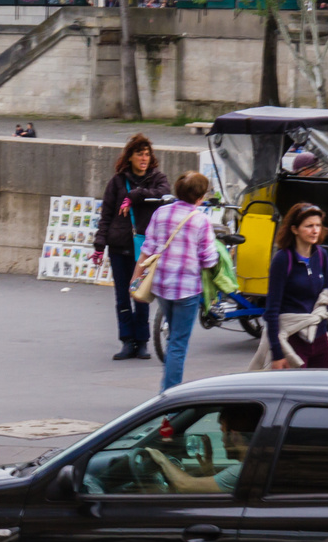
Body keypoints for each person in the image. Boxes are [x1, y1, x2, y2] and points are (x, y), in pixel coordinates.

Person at [136, 170, 218, 392]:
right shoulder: (201, 220)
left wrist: (135, 280)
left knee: (173, 338)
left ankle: (168, 389)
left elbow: (148, 248)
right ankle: (170, 393)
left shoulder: (161, 213)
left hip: (161, 284)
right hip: (187, 289)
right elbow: (209, 259)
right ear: (200, 197)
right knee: (178, 344)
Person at [92, 134, 171, 360]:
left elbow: (165, 195)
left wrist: (136, 195)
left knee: (141, 294)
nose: (144, 158)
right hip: (119, 246)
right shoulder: (117, 182)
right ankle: (127, 340)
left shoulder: (157, 178)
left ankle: (143, 341)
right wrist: (99, 245)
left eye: (147, 154)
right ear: (130, 157)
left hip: (145, 248)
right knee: (122, 296)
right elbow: (106, 215)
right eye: (139, 154)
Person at [257, 202, 328, 371]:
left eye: (318, 225)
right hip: (293, 339)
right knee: (294, 394)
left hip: (319, 338)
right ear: (294, 229)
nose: (315, 231)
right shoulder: (283, 259)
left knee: (323, 394)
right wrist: (277, 354)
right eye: (309, 226)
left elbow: (326, 301)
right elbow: (272, 310)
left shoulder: (321, 255)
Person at [143, 405, 263, 494]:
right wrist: (208, 469)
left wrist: (161, 459)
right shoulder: (256, 465)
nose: (222, 440)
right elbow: (221, 489)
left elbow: (184, 485)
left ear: (235, 436)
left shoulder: (245, 471)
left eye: (223, 433)